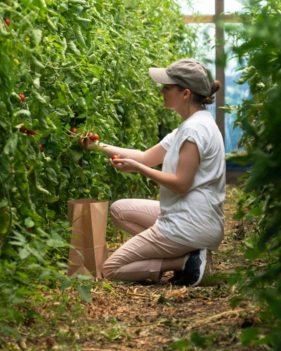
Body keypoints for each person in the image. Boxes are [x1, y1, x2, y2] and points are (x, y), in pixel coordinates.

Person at [80, 59, 226, 286]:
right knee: (120, 211)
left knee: (109, 269)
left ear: (185, 94)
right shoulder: (190, 125)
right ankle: (191, 253)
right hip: (191, 215)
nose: (161, 91)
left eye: (167, 87)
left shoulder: (194, 130)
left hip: (190, 224)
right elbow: (145, 156)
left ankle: (184, 262)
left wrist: (139, 169)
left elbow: (180, 184)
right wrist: (96, 145)